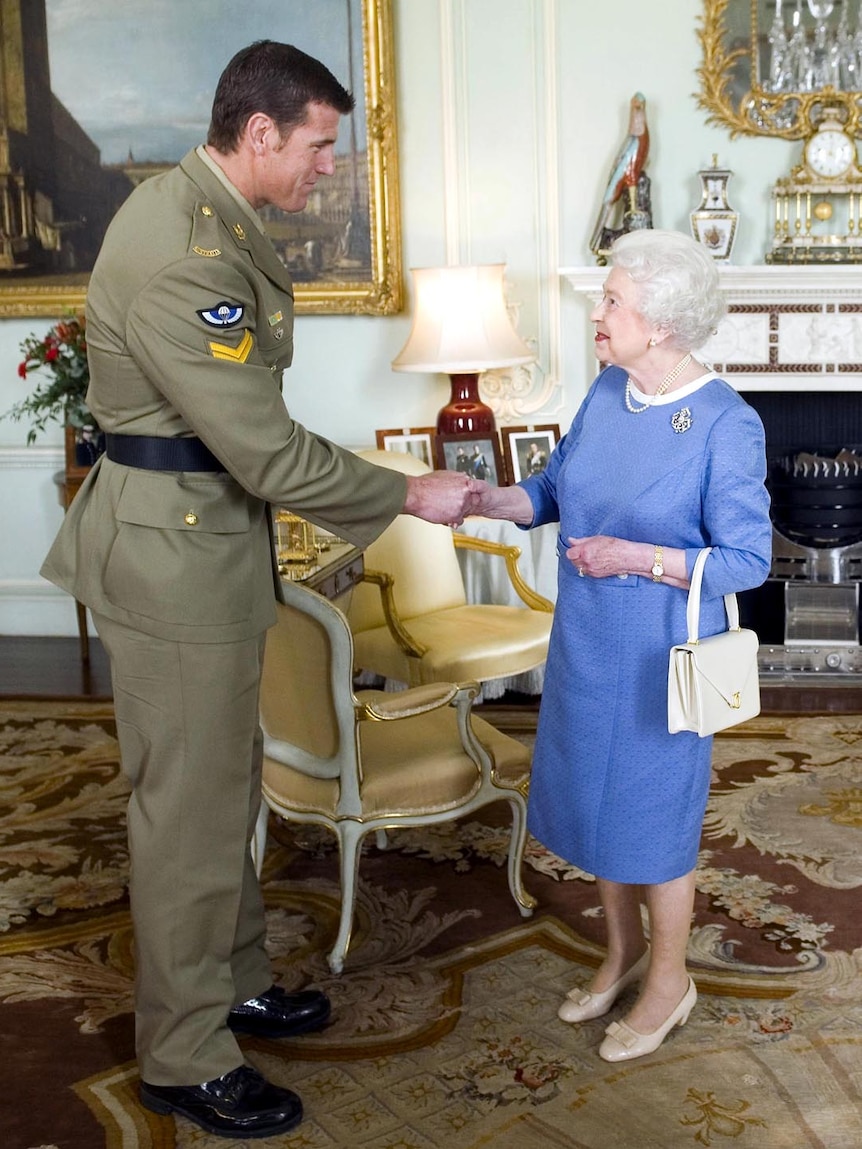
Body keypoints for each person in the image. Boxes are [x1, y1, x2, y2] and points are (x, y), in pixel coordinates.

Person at [40, 41, 475, 1141]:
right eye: (322, 145)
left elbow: (246, 439)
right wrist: (406, 495)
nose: (330, 166)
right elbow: (265, 452)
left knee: (221, 793)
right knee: (187, 816)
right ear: (262, 132)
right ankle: (182, 1054)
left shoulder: (210, 213)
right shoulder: (188, 249)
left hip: (200, 547)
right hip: (174, 561)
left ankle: (228, 984)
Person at [469, 229, 771, 1063]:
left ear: (663, 324)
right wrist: (488, 499)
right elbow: (555, 488)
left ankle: (670, 979)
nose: (597, 316)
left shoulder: (724, 422)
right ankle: (621, 950)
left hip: (660, 659)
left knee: (653, 825)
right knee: (599, 814)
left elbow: (750, 558)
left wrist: (640, 557)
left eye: (611, 303)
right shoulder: (607, 390)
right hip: (588, 646)